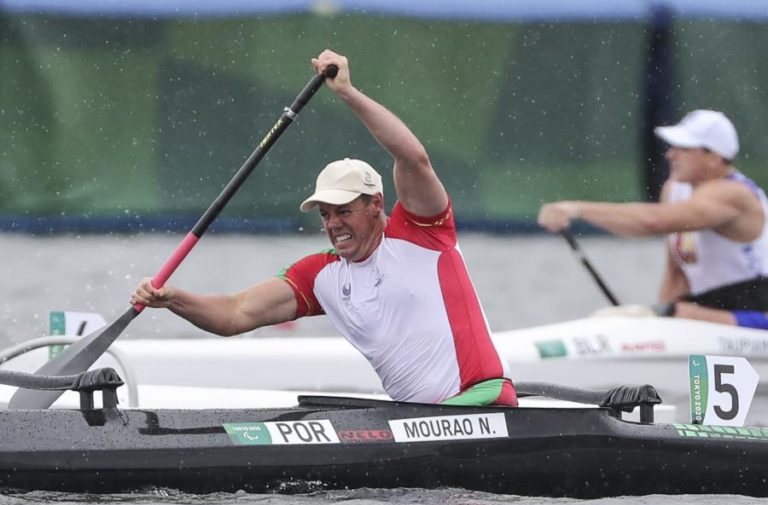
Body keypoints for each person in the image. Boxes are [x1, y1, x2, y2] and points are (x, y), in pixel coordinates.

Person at [131, 49, 517, 406]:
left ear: (376, 204)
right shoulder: (321, 276)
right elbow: (235, 314)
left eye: (344, 211)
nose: (334, 224)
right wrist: (172, 300)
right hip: (417, 424)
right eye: (325, 214)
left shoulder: (421, 232)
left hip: (481, 401)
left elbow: (411, 157)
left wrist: (347, 93)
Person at [538, 109, 768, 329]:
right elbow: (676, 276)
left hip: (758, 314)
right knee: (656, 315)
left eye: (684, 148)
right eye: (673, 146)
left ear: (715, 157)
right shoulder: (674, 190)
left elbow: (653, 222)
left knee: (679, 314)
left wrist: (578, 209)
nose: (670, 154)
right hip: (709, 310)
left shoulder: (734, 195)